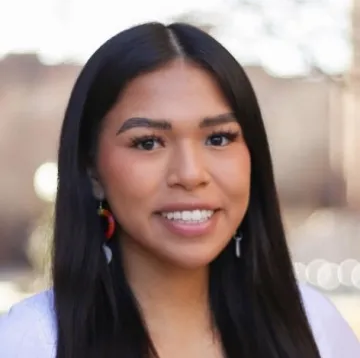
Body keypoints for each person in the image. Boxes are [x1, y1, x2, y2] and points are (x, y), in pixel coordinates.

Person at [0, 22, 359, 358]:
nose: (190, 174)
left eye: (219, 138)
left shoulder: (314, 328)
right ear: (92, 172)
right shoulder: (32, 342)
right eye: (148, 143)